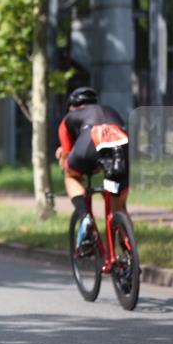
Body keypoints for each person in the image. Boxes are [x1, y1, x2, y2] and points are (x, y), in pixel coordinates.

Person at [55, 86, 130, 247]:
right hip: (121, 147)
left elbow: (67, 155)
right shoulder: (109, 110)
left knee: (70, 174)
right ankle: (129, 255)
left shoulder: (69, 118)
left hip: (89, 146)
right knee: (119, 207)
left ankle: (85, 217)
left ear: (72, 107)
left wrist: (62, 157)